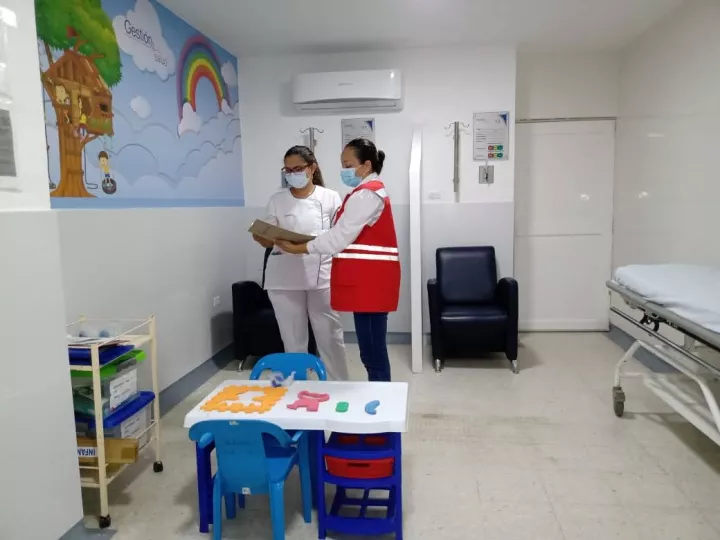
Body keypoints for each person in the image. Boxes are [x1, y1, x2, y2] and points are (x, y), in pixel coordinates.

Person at [277, 138, 400, 382]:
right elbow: (340, 235)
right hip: (369, 282)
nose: (344, 170)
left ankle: (383, 400)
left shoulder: (367, 194)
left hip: (371, 284)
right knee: (371, 352)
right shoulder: (365, 192)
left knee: (373, 354)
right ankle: (380, 395)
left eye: (348, 165)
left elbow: (338, 237)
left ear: (366, 165)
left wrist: (301, 247)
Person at [253, 145, 349, 380]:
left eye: (297, 169)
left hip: (321, 275)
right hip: (284, 276)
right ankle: (296, 385)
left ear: (312, 168)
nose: (292, 174)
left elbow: (339, 235)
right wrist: (262, 236)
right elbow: (267, 240)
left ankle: (338, 384)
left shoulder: (330, 197)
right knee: (292, 338)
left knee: (330, 336)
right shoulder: (277, 199)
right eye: (287, 170)